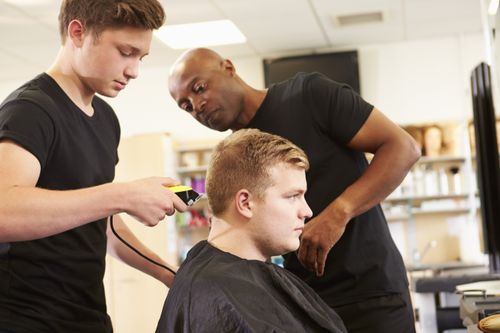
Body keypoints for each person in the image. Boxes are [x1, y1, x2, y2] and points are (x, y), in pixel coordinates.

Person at [167, 48, 421, 332]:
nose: (197, 105)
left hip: (371, 292)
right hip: (305, 299)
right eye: (186, 106)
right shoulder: (239, 152)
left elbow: (404, 148)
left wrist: (339, 213)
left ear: (228, 67)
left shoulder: (308, 95)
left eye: (200, 88)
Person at [0, 1, 187, 332]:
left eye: (140, 58)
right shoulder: (29, 111)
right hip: (25, 319)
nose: (134, 71)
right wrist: (122, 194)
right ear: (78, 32)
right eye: (125, 52)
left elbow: (102, 222)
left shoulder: (105, 119)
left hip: (88, 316)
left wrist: (170, 275)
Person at [156, 128, 347, 333]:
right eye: (293, 196)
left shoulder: (211, 277)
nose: (307, 211)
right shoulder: (217, 294)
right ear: (245, 203)